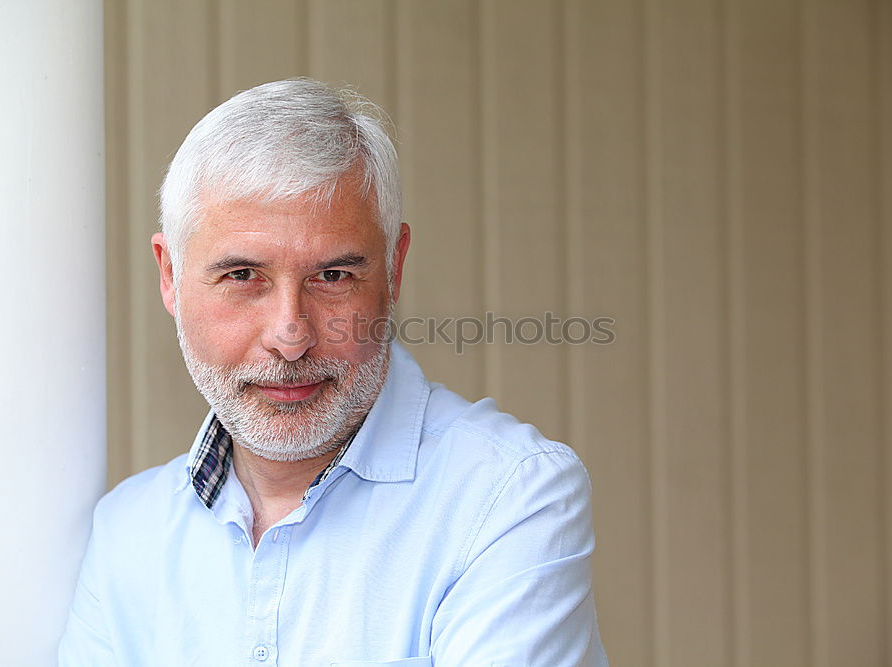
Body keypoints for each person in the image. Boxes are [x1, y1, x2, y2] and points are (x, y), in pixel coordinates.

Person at [59, 78, 607, 666]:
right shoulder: (126, 531)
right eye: (242, 275)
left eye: (334, 276)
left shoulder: (507, 498)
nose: (290, 336)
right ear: (170, 275)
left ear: (393, 270)